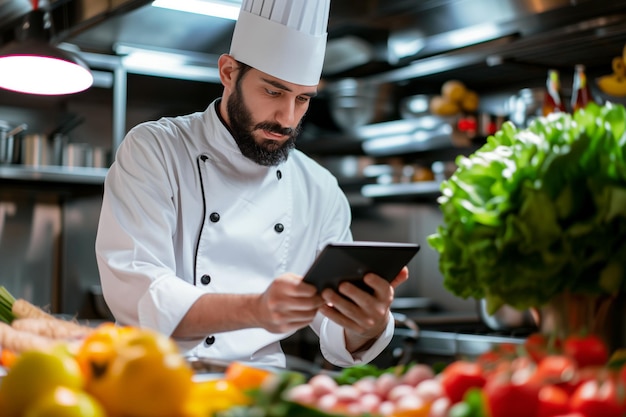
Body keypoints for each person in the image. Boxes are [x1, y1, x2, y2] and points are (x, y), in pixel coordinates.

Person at [95, 0, 409, 368]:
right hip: (156, 380)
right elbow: (138, 291)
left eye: (302, 98)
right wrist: (255, 309)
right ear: (228, 72)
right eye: (273, 92)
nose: (287, 118)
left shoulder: (319, 188)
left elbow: (337, 335)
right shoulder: (156, 149)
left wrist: (368, 322)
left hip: (258, 390)